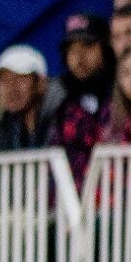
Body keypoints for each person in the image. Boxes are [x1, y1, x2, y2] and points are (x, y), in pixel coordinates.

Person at [47, 19, 114, 182]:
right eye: (72, 50)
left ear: (105, 50)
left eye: (88, 46)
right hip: (68, 201)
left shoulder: (121, 96)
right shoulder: (61, 103)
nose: (79, 57)